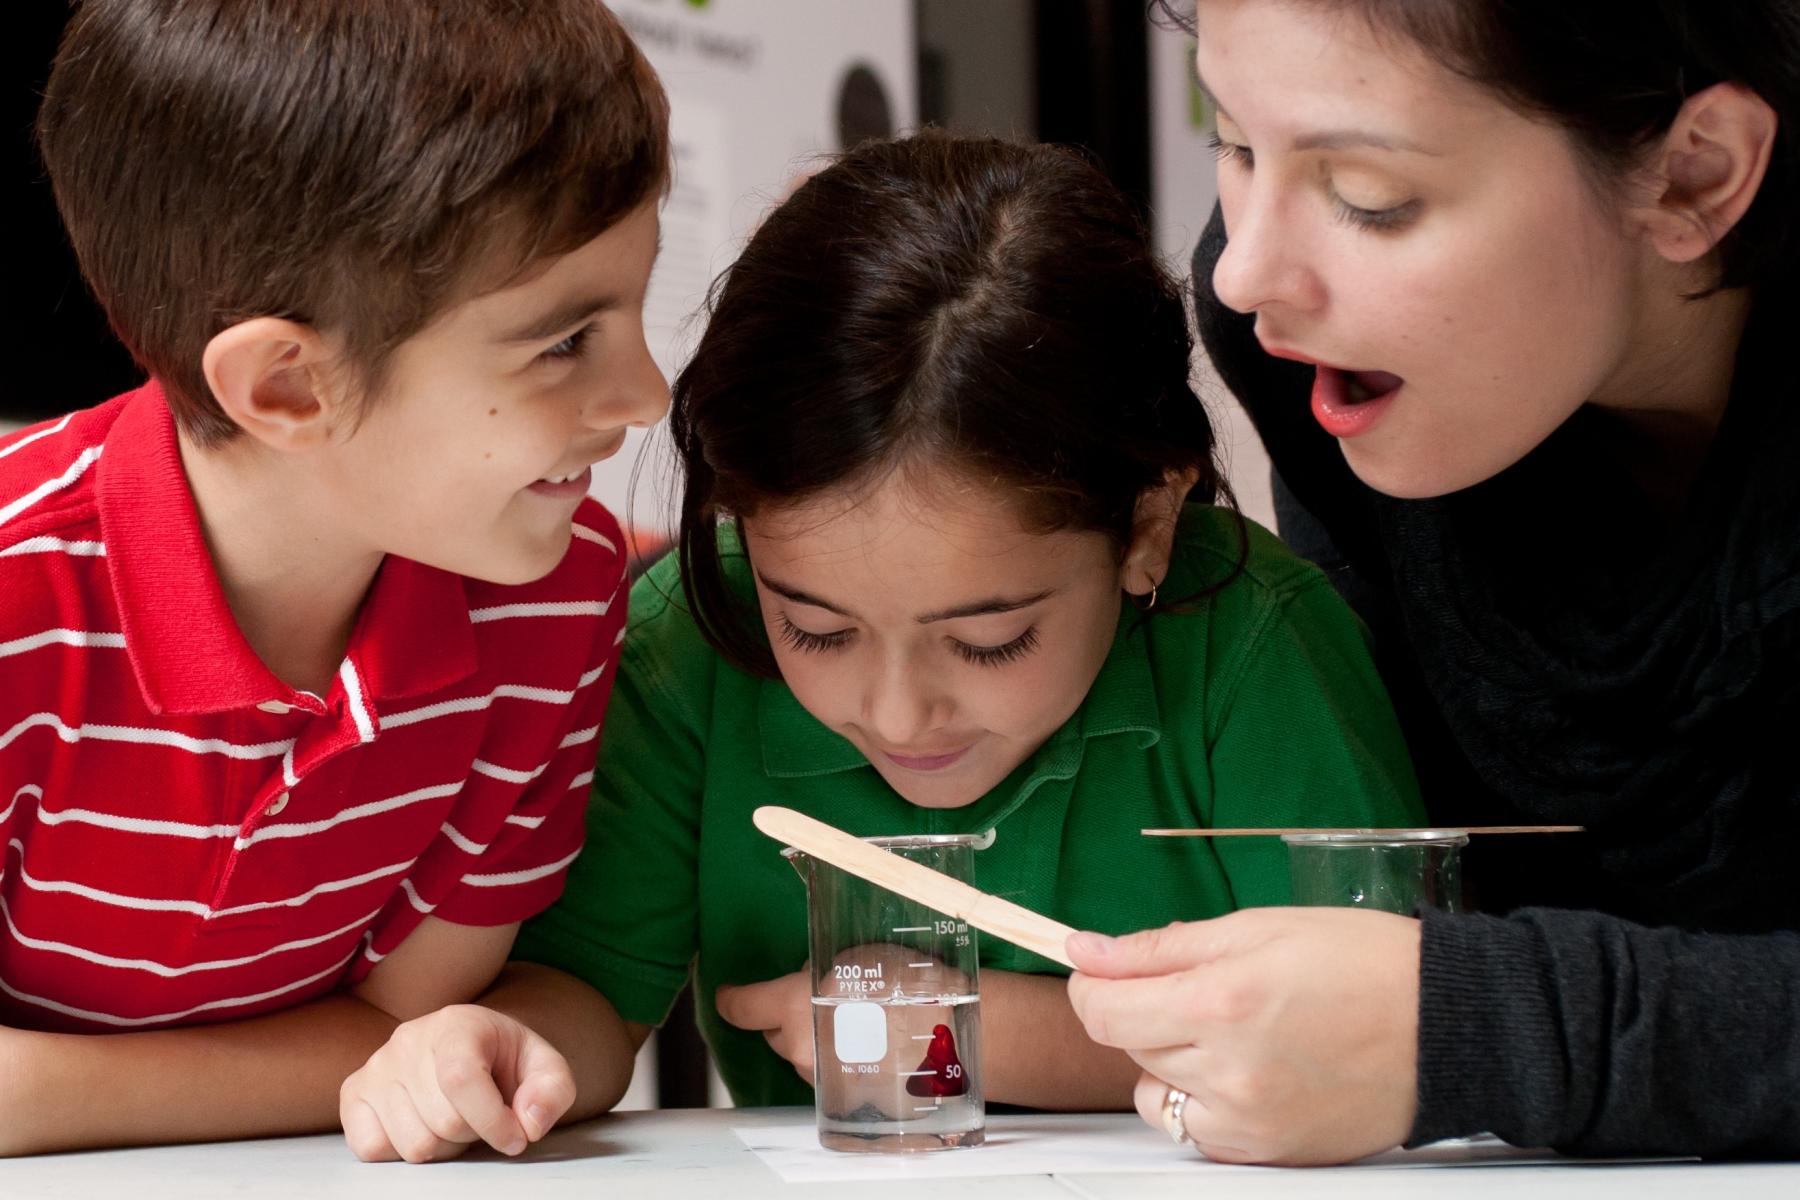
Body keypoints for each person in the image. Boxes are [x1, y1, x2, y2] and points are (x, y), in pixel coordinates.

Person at [338, 131, 1424, 1161]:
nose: (898, 715)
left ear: (1145, 528)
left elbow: (1373, 1032)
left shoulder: (1255, 648)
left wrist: (979, 1032)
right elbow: (584, 994)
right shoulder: (693, 638)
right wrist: (502, 1049)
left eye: (991, 640)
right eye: (813, 626)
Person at [1066, 0, 1800, 1165]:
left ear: (1693, 174)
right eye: (1237, 144)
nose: (1249, 275)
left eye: (1368, 196)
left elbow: (1463, 1003)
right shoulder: (1321, 345)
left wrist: (1480, 1030)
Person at [1, 0, 669, 1158]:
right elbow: (375, 1050)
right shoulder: (19, 596)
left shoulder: (555, 589)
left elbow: (406, 1024)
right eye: (564, 343)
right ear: (288, 389)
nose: (646, 394)